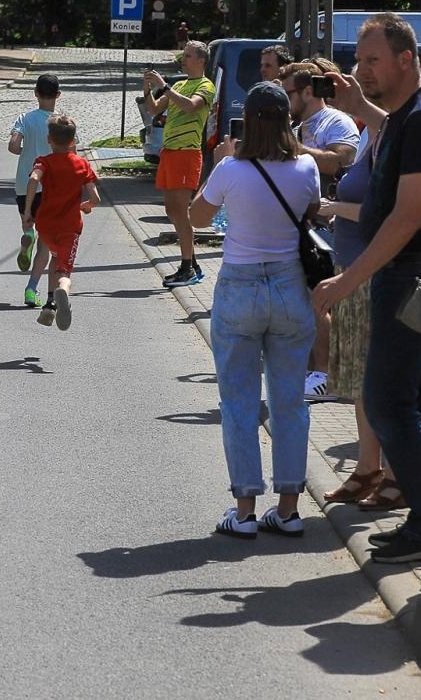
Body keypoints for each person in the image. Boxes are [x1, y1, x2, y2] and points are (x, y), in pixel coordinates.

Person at [312, 13, 421, 565]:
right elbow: (391, 133)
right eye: (360, 59)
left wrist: (349, 278)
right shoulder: (411, 113)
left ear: (406, 59)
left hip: (407, 274)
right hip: (406, 274)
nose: (362, 68)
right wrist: (360, 108)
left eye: (372, 60)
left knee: (386, 397)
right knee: (416, 398)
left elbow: (407, 217)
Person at [190, 82, 320, 538]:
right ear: (287, 119)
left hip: (240, 286)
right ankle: (288, 509)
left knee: (239, 402)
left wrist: (218, 161)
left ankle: (244, 509)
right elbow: (312, 211)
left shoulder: (230, 168)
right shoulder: (306, 166)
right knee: (289, 402)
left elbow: (196, 218)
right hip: (289, 285)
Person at [318, 119, 400, 512]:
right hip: (352, 269)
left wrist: (334, 207)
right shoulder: (374, 133)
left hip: (370, 272)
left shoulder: (397, 131)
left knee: (378, 379)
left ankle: (394, 474)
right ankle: (368, 469)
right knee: (359, 379)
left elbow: (384, 214)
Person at [281, 60, 361, 402]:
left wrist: (293, 148)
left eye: (289, 94)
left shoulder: (335, 121)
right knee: (307, 301)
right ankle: (312, 371)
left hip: (331, 229)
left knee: (320, 300)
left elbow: (341, 159)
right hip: (304, 226)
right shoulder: (297, 125)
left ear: (308, 92)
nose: (285, 101)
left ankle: (325, 376)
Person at [142, 41, 216, 287]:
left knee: (182, 213)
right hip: (170, 153)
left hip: (187, 153)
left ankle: (187, 267)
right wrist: (148, 90)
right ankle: (191, 263)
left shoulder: (205, 85)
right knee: (172, 211)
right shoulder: (179, 84)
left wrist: (164, 87)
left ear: (201, 60)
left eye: (187, 56)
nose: (182, 60)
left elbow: (190, 105)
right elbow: (153, 110)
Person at [22, 114, 97, 329]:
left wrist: (28, 210)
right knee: (63, 271)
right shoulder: (82, 164)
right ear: (73, 141)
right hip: (70, 228)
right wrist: (86, 206)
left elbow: (33, 179)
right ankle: (62, 289)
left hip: (45, 225)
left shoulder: (43, 162)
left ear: (49, 139)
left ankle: (50, 304)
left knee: (53, 257)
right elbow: (95, 199)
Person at [9, 73, 61, 305]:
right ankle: (31, 289)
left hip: (25, 182)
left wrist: (26, 153)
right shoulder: (61, 122)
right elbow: (72, 153)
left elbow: (12, 146)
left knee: (28, 221)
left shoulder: (24, 118)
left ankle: (27, 234)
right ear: (58, 95)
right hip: (52, 184)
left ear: (36, 93)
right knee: (47, 241)